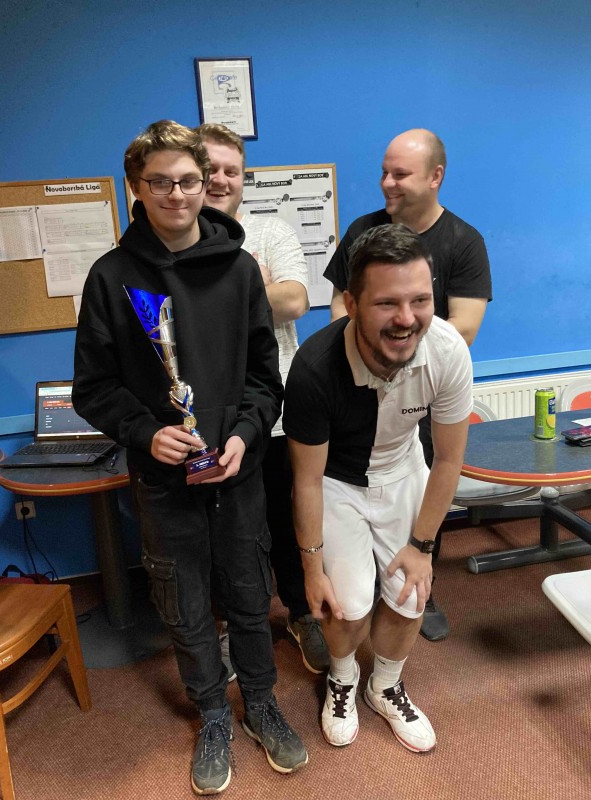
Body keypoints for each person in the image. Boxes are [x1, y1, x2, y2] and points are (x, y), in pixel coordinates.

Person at [72, 120, 307, 796]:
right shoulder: (110, 276)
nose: (176, 195)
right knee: (182, 598)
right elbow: (93, 388)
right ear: (136, 188)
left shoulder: (239, 269)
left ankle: (259, 702)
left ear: (206, 184)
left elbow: (265, 378)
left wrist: (245, 434)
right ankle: (212, 713)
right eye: (160, 183)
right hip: (162, 477)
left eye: (187, 181)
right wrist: (146, 432)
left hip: (235, 469)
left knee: (248, 589)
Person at [284, 224, 472, 750]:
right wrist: (311, 568)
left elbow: (448, 459)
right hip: (335, 481)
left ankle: (384, 686)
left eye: (420, 300)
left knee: (411, 595)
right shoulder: (314, 368)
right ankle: (343, 678)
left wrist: (422, 547)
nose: (406, 318)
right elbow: (306, 480)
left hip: (404, 468)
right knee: (346, 606)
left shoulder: (447, 351)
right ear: (351, 303)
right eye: (387, 303)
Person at [324, 129, 491, 641]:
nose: (386, 183)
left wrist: (399, 354)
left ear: (436, 177)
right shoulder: (362, 231)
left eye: (400, 174)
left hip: (424, 394)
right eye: (384, 172)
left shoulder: (464, 242)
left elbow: (463, 328)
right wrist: (368, 358)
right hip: (358, 387)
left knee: (424, 493)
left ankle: (420, 582)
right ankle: (364, 587)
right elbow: (339, 309)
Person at [196, 122, 329, 674]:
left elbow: (295, 300)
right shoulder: (175, 239)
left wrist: (220, 294)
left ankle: (301, 613)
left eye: (232, 170)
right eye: (210, 169)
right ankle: (234, 624)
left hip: (276, 409)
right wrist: (254, 287)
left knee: (289, 514)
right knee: (226, 530)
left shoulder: (271, 230)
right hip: (211, 414)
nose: (221, 180)